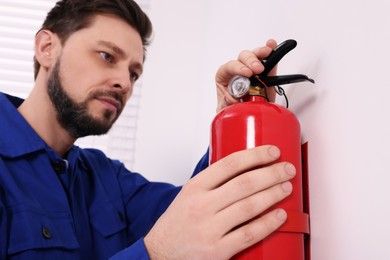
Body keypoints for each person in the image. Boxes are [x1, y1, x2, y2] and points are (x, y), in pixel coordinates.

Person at [0, 0, 295, 259]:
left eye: (133, 73)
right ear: (47, 48)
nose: (125, 83)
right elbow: (171, 243)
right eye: (106, 56)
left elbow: (195, 214)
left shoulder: (105, 179)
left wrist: (237, 116)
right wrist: (155, 254)